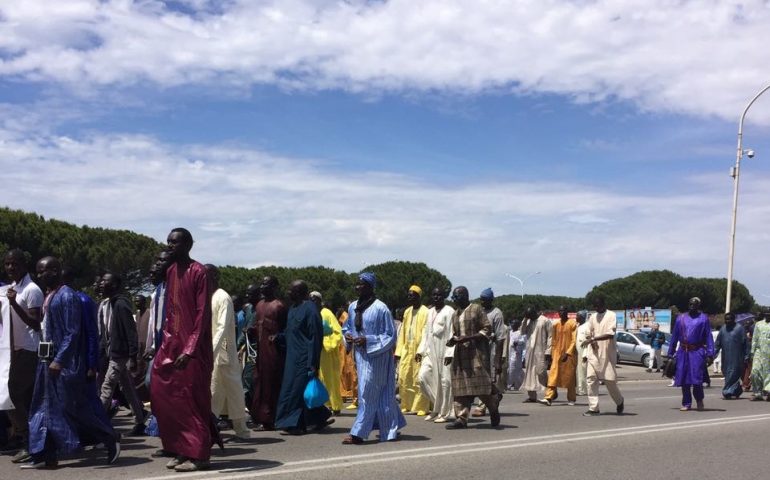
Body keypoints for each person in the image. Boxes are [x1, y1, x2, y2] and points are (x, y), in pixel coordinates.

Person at [24, 257, 119, 469]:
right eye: (38, 272)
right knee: (42, 408)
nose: (40, 276)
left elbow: (72, 333)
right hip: (46, 361)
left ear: (56, 271)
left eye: (45, 271)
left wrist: (59, 360)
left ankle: (109, 438)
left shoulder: (67, 297)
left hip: (64, 365)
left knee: (73, 410)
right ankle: (46, 455)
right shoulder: (50, 296)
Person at [151, 228, 219, 472]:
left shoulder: (199, 272)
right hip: (171, 344)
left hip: (193, 350)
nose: (170, 246)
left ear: (188, 245)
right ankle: (180, 448)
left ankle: (199, 454)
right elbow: (171, 313)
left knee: (192, 400)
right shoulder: (170, 271)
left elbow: (203, 316)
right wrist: (166, 346)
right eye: (168, 241)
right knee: (163, 394)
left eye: (175, 242)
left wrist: (189, 349)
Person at [341, 273, 405, 445]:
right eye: (356, 284)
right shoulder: (353, 306)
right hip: (361, 357)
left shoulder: (381, 308)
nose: (357, 287)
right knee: (383, 395)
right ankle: (391, 426)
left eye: (361, 284)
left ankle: (358, 433)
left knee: (366, 393)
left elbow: (390, 335)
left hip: (378, 357)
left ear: (370, 286)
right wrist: (347, 336)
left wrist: (368, 340)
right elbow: (346, 327)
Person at [0, 249, 43, 464]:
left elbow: (36, 324)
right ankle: (31, 440)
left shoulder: (31, 290)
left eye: (14, 264)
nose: (10, 268)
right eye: (7, 264)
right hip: (13, 351)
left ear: (24, 265)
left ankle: (29, 439)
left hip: (29, 350)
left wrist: (15, 303)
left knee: (13, 393)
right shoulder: (11, 289)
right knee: (19, 397)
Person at [275, 281, 333, 434]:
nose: (288, 292)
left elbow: (315, 336)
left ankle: (295, 425)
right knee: (294, 390)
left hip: (304, 358)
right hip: (291, 358)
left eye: (291, 290)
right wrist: (278, 338)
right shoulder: (293, 309)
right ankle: (320, 417)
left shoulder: (310, 309)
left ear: (300, 292)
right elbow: (290, 332)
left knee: (296, 391)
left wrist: (313, 362)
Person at [444, 286, 500, 430]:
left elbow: (487, 330)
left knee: (480, 385)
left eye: (456, 296)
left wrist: (467, 338)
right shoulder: (455, 314)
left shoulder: (476, 309)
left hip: (476, 354)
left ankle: (493, 408)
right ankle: (461, 418)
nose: (454, 299)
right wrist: (453, 341)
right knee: (459, 386)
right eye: (453, 297)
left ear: (464, 295)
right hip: (460, 355)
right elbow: (456, 333)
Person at [98, 272, 146, 435]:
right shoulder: (109, 304)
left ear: (115, 285)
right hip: (114, 353)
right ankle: (141, 420)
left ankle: (97, 426)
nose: (101, 283)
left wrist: (133, 357)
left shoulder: (121, 305)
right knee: (128, 388)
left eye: (105, 281)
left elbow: (131, 332)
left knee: (107, 387)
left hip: (120, 355)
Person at [206, 265, 251, 439]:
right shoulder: (207, 297)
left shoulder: (222, 297)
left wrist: (212, 350)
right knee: (217, 390)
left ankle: (240, 429)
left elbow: (223, 327)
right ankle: (213, 425)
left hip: (222, 350)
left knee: (229, 389)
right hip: (213, 350)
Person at [248, 276, 288, 431]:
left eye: (266, 284)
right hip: (260, 352)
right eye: (262, 283)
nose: (263, 286)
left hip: (274, 353)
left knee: (272, 385)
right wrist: (251, 331)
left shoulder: (279, 306)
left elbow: (286, 330)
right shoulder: (259, 305)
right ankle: (258, 416)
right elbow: (257, 326)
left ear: (274, 286)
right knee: (258, 382)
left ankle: (270, 419)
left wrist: (278, 337)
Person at [668, 297, 714, 411]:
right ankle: (686, 403)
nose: (692, 306)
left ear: (699, 306)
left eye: (695, 304)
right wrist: (670, 353)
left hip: (697, 351)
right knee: (684, 379)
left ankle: (699, 400)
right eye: (690, 304)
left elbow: (709, 336)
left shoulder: (703, 319)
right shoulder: (681, 318)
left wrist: (710, 354)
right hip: (683, 352)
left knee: (697, 378)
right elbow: (674, 337)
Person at [416, 287, 455, 423]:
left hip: (444, 351)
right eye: (434, 295)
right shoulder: (430, 311)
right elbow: (426, 333)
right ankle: (438, 407)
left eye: (439, 295)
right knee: (423, 377)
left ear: (444, 296)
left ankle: (444, 412)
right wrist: (420, 351)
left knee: (445, 383)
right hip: (430, 351)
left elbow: (452, 333)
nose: (436, 297)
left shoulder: (449, 311)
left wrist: (450, 353)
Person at [582, 296, 624, 416]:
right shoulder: (593, 317)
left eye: (598, 306)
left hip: (607, 353)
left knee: (610, 381)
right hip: (594, 353)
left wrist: (594, 339)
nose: (596, 308)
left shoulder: (611, 315)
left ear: (603, 304)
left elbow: (610, 334)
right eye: (594, 306)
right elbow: (588, 331)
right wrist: (592, 340)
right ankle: (594, 408)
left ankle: (619, 401)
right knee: (591, 379)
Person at [395, 285, 430, 416]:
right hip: (406, 349)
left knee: (418, 378)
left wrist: (421, 351)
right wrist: (398, 352)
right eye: (409, 294)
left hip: (419, 350)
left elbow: (427, 333)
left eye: (412, 294)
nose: (410, 297)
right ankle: (406, 405)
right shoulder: (407, 311)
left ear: (418, 297)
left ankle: (421, 406)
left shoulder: (425, 311)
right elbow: (402, 333)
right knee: (404, 377)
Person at [474, 288, 506, 417]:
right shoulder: (479, 311)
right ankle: (496, 395)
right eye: (481, 299)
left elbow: (500, 338)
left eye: (485, 300)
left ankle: (482, 407)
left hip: (491, 351)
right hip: (478, 351)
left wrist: (498, 360)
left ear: (491, 300)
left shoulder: (496, 313)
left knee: (487, 379)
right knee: (479, 379)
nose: (482, 302)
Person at [311, 291, 343, 415]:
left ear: (319, 300)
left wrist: (326, 343)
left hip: (327, 351)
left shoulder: (327, 313)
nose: (312, 301)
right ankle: (322, 405)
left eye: (314, 299)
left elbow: (337, 332)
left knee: (330, 380)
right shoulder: (313, 313)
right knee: (319, 378)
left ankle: (334, 405)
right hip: (317, 350)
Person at [540, 306, 577, 406]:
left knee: (569, 377)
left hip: (569, 355)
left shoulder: (572, 324)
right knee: (553, 375)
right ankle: (548, 397)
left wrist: (568, 352)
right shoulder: (556, 324)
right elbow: (553, 340)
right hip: (557, 354)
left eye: (563, 310)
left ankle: (571, 398)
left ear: (567, 312)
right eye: (560, 311)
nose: (561, 312)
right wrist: (552, 354)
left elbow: (574, 340)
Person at [714, 312, 749, 399]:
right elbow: (718, 343)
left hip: (737, 356)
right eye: (726, 319)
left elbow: (746, 343)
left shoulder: (740, 329)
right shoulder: (723, 329)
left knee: (733, 372)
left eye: (729, 319)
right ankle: (737, 389)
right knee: (726, 372)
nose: (727, 321)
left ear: (734, 319)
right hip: (726, 356)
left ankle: (727, 391)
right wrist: (713, 353)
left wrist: (747, 355)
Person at [520, 307, 551, 403]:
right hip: (530, 352)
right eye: (528, 316)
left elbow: (551, 337)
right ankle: (532, 396)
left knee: (541, 372)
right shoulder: (529, 321)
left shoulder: (545, 320)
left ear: (534, 312)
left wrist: (548, 352)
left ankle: (550, 393)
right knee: (530, 374)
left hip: (541, 351)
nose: (529, 317)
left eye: (530, 315)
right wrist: (525, 319)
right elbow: (522, 331)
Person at [338, 305, 358, 408]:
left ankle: (356, 399)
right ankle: (354, 399)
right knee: (348, 373)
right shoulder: (347, 316)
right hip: (348, 347)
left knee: (353, 374)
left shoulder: (345, 316)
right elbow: (345, 331)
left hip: (352, 348)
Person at [750, 308, 770, 401]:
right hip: (759, 352)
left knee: (768, 374)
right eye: (766, 314)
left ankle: (768, 391)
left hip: (769, 354)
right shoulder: (758, 324)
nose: (767, 315)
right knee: (755, 371)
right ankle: (758, 393)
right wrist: (752, 352)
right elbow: (754, 338)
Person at [507, 319, 525, 391]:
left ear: (517, 325)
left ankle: (515, 385)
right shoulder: (510, 332)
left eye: (514, 324)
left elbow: (523, 341)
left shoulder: (520, 333)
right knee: (509, 369)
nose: (512, 325)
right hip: (509, 352)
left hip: (516, 353)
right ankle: (509, 384)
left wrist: (517, 342)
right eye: (511, 323)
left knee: (515, 369)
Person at [574, 311, 589, 396]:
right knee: (578, 373)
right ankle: (579, 390)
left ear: (582, 317)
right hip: (577, 353)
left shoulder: (587, 327)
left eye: (578, 316)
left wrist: (585, 354)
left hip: (584, 354)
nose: (576, 317)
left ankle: (583, 390)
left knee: (583, 373)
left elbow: (588, 341)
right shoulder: (577, 326)